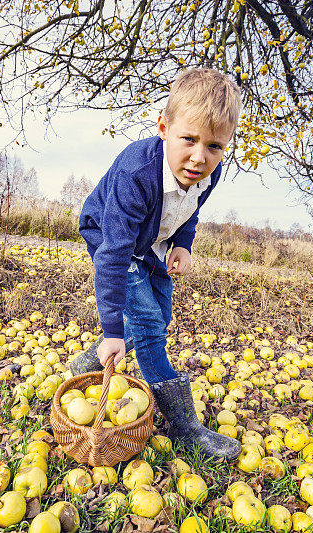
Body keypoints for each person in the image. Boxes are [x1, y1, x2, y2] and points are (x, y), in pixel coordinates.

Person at [69, 68, 242, 460]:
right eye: (189, 140)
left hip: (153, 243)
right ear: (164, 127)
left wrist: (183, 244)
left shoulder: (206, 174)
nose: (199, 157)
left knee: (159, 314)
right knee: (148, 325)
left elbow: (189, 209)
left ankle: (84, 364)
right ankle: (186, 428)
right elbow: (112, 257)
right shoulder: (136, 174)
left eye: (214, 146)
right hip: (113, 238)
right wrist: (112, 329)